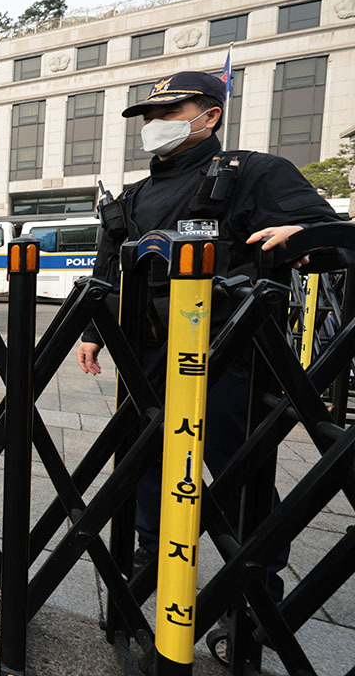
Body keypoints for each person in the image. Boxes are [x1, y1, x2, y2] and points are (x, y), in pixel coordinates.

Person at [75, 72, 340, 593]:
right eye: (150, 117)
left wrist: (306, 237)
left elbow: (330, 237)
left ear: (210, 115)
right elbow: (109, 269)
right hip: (148, 351)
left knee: (239, 464)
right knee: (147, 453)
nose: (155, 126)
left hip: (233, 354)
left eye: (168, 114)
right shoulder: (133, 195)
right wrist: (93, 332)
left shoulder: (253, 174)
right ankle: (152, 554)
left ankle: (256, 581)